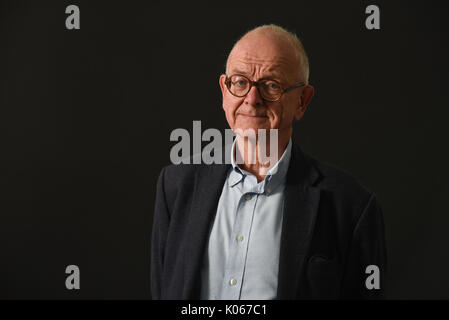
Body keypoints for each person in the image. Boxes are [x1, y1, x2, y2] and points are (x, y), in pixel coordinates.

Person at [151, 24, 387, 300]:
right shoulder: (176, 185)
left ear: (302, 101)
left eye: (271, 86)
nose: (252, 99)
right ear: (224, 91)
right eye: (239, 82)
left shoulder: (351, 206)